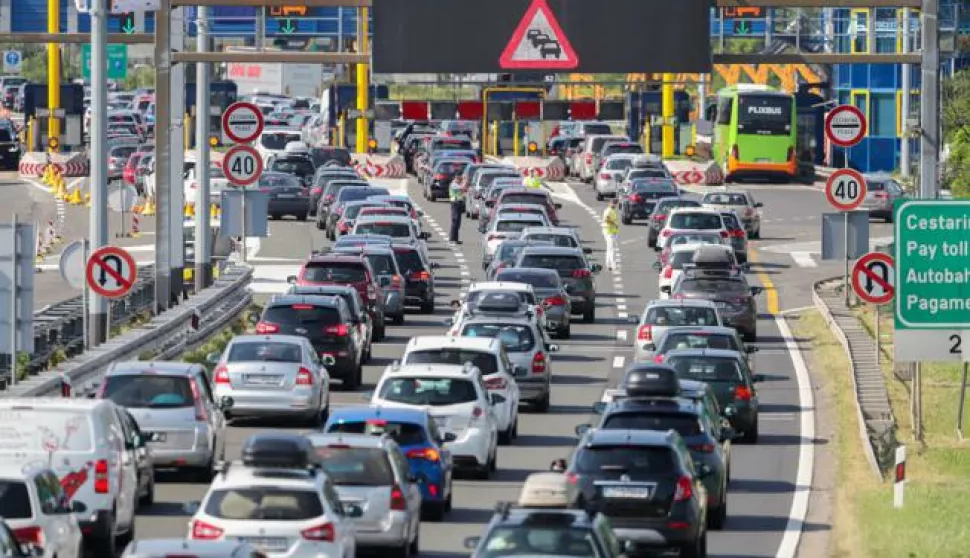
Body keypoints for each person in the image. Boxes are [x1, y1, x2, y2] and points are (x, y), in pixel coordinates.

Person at [449, 174, 468, 244]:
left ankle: (455, 239)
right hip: (455, 203)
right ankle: (452, 238)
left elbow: (464, 189)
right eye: (459, 179)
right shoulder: (453, 184)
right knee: (455, 221)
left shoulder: (457, 184)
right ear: (456, 178)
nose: (459, 180)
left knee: (458, 222)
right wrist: (465, 180)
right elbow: (462, 188)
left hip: (458, 203)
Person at [602, 198, 619, 271]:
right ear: (609, 203)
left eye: (615, 203)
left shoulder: (612, 210)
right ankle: (613, 265)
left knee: (609, 249)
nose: (614, 204)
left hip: (612, 232)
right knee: (612, 249)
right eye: (613, 203)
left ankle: (608, 264)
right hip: (609, 232)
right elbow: (607, 219)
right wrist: (614, 223)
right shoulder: (608, 211)